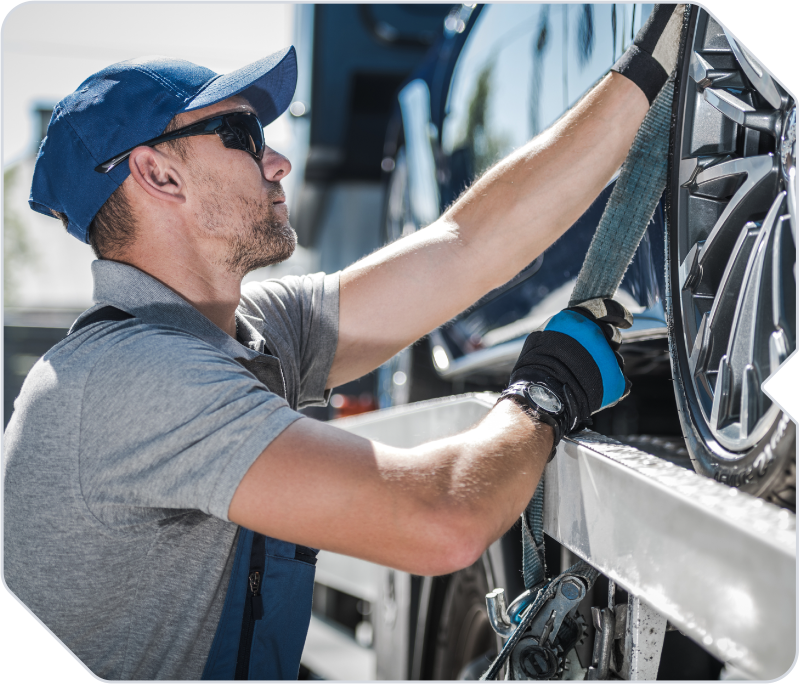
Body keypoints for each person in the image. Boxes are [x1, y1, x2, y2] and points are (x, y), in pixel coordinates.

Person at [4, 6, 684, 680]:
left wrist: (646, 73)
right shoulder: (131, 381)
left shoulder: (233, 334)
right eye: (240, 133)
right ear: (158, 175)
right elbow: (441, 516)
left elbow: (462, 248)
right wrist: (543, 392)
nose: (278, 159)